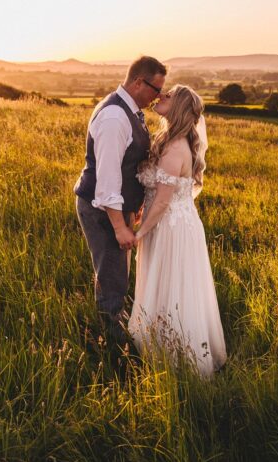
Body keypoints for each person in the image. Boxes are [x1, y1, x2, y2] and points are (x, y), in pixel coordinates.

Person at [128, 85, 227, 377]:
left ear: (179, 107)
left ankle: (180, 361)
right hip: (172, 223)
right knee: (166, 284)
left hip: (170, 228)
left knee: (172, 286)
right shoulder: (169, 141)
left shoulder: (175, 148)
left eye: (168, 96)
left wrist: (139, 232)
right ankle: (162, 349)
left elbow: (161, 201)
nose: (161, 97)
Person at [73, 56, 167, 357]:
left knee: (114, 272)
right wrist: (119, 226)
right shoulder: (115, 117)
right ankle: (111, 347)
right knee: (113, 275)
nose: (158, 97)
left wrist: (133, 206)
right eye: (155, 89)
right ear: (138, 82)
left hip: (115, 207)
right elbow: (108, 180)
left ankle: (114, 325)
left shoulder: (130, 110)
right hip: (102, 210)